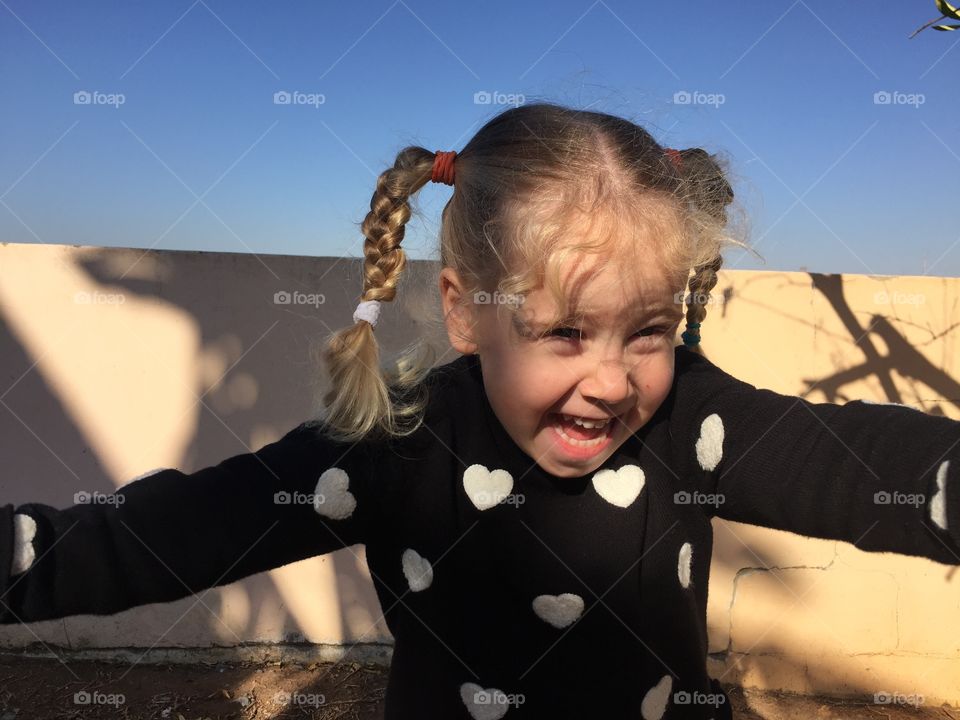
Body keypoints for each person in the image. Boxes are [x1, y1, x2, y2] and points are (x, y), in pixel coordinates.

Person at [1, 102, 957, 720]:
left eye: (649, 332)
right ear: (465, 311)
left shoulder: (692, 422)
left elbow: (854, 464)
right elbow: (172, 532)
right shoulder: (396, 446)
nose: (613, 381)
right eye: (565, 332)